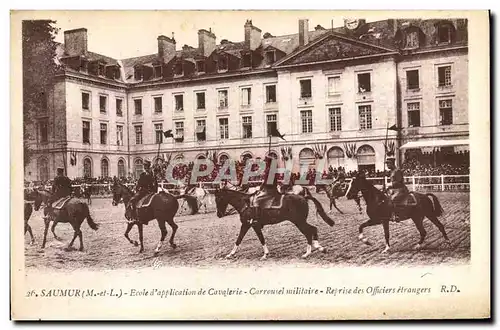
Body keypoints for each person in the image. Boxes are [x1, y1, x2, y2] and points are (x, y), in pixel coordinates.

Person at [251, 155, 280, 224]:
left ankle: (257, 219)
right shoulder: (270, 169)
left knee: (256, 200)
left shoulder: (271, 170)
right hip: (269, 188)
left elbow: (269, 182)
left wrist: (262, 186)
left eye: (266, 162)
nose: (265, 163)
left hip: (270, 190)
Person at [385, 157, 409, 222]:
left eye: (388, 164)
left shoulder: (397, 171)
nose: (387, 165)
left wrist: (390, 185)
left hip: (401, 189)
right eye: (386, 164)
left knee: (393, 199)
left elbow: (399, 182)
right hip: (394, 190)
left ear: (392, 163)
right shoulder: (392, 171)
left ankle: (397, 215)